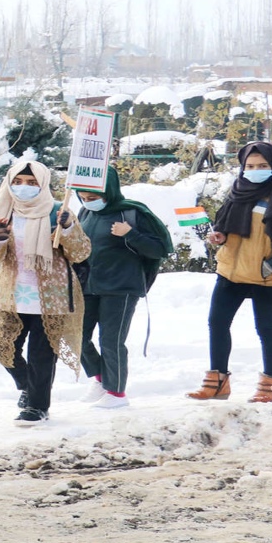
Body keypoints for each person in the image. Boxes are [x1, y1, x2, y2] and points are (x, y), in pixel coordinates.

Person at [187, 141, 272, 403]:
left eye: (263, 166)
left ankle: (271, 383)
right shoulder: (238, 192)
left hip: (267, 274)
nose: (254, 170)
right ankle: (218, 382)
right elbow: (226, 225)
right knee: (217, 323)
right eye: (250, 166)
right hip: (231, 270)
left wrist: (271, 265)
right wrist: (220, 236)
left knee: (266, 327)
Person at [0, 160, 91, 426]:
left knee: (42, 354)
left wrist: (68, 229)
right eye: (18, 182)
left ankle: (37, 406)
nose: (23, 187)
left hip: (51, 295)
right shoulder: (3, 212)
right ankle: (29, 387)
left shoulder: (57, 211)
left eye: (31, 183)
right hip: (13, 295)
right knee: (2, 348)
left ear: (43, 184)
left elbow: (81, 252)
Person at [75, 168, 172, 408]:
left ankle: (116, 393)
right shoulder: (84, 212)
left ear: (108, 191)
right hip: (89, 285)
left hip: (121, 287)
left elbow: (159, 249)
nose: (89, 202)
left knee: (111, 340)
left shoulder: (132, 212)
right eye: (84, 198)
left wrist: (130, 234)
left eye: (94, 197)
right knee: (76, 337)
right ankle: (100, 377)